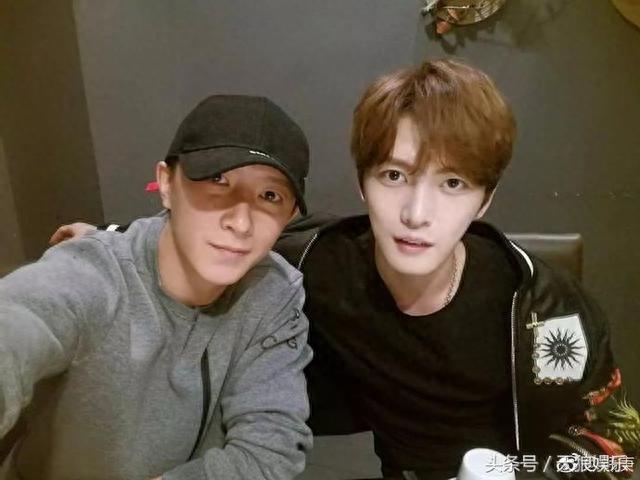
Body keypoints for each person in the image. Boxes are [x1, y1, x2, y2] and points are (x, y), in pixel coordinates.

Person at [50, 60, 640, 479]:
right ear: (363, 184)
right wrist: (107, 239)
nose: (416, 213)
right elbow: (215, 235)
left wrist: (511, 472)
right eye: (394, 176)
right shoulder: (320, 264)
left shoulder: (546, 311)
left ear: (484, 201)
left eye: (453, 184)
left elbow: (617, 451)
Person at [0, 95, 314, 480]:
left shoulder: (272, 294)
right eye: (218, 180)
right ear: (166, 184)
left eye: (269, 195)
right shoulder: (96, 272)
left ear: (289, 215)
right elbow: (21, 320)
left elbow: (270, 451)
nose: (241, 222)